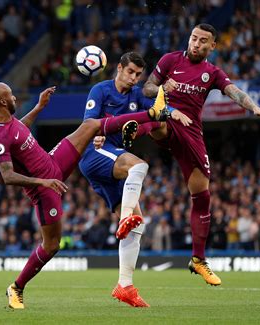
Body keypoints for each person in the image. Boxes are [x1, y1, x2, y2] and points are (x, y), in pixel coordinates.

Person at [0, 81, 167, 309]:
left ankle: (151, 114)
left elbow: (21, 129)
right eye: (11, 96)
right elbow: (7, 176)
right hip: (44, 189)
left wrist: (39, 107)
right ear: (2, 101)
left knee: (90, 125)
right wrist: (44, 182)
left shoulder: (11, 124)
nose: (14, 98)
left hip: (53, 161)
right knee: (51, 245)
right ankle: (16, 288)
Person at [142, 23, 260, 286]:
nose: (196, 43)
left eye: (203, 41)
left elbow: (235, 92)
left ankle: (198, 260)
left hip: (192, 134)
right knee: (156, 120)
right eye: (194, 38)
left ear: (212, 46)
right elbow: (147, 88)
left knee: (202, 196)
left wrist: (254, 108)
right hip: (169, 121)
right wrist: (162, 89)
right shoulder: (169, 60)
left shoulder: (212, 73)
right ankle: (129, 131)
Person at [79, 52, 189, 307]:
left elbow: (158, 109)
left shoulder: (137, 95)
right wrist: (96, 133)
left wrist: (172, 113)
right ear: (118, 68)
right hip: (95, 153)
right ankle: (126, 215)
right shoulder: (101, 90)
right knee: (139, 166)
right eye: (130, 72)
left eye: (138, 74)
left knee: (138, 227)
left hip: (113, 164)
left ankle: (125, 286)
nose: (133, 78)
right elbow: (88, 122)